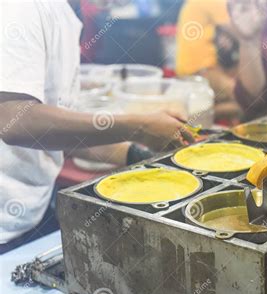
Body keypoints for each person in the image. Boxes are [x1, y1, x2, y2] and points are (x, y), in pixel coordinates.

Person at [0, 0, 194, 246]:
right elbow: (15, 121)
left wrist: (139, 154)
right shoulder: (24, 7)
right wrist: (138, 127)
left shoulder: (65, 14)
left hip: (31, 213)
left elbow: (60, 134)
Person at [176, 0, 242, 122]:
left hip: (205, 68)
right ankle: (194, 116)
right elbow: (239, 29)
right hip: (202, 69)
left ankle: (197, 114)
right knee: (248, 99)